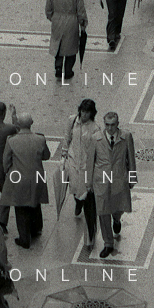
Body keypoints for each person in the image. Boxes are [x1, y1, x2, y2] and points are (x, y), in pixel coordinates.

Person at [86, 111, 137, 258]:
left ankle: (116, 219)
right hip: (101, 181)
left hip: (119, 180)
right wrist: (88, 183)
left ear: (117, 124)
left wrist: (132, 179)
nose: (110, 128)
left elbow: (131, 159)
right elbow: (90, 162)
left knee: (118, 208)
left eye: (113, 125)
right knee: (103, 212)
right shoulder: (96, 139)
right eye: (107, 125)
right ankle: (108, 243)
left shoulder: (126, 137)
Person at [0, 112, 51, 247]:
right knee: (35, 202)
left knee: (21, 207)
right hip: (36, 177)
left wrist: (7, 172)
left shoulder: (11, 141)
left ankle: (24, 238)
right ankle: (36, 229)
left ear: (18, 124)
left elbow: (6, 161)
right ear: (31, 123)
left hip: (19, 178)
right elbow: (46, 156)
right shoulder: (40, 139)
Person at [61, 100, 103, 248]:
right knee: (74, 190)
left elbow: (98, 149)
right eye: (83, 111)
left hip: (86, 166)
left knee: (88, 199)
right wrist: (64, 154)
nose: (84, 115)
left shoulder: (95, 128)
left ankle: (90, 235)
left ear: (92, 113)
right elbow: (67, 137)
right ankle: (78, 202)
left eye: (87, 112)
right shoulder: (72, 120)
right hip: (73, 163)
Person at [46, 0, 88, 80]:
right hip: (71, 21)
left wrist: (53, 18)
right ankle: (68, 70)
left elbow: (48, 10)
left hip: (57, 20)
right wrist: (83, 24)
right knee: (71, 46)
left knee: (58, 44)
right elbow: (81, 11)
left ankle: (58, 67)